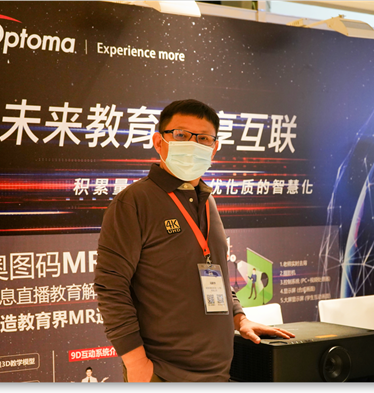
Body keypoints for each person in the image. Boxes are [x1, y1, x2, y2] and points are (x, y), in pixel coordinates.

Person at [94, 99, 294, 383]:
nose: (192, 144)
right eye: (181, 135)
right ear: (159, 141)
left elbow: (214, 272)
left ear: (214, 147)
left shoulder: (206, 200)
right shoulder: (134, 201)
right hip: (163, 372)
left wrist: (239, 318)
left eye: (203, 138)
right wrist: (136, 362)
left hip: (218, 370)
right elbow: (111, 286)